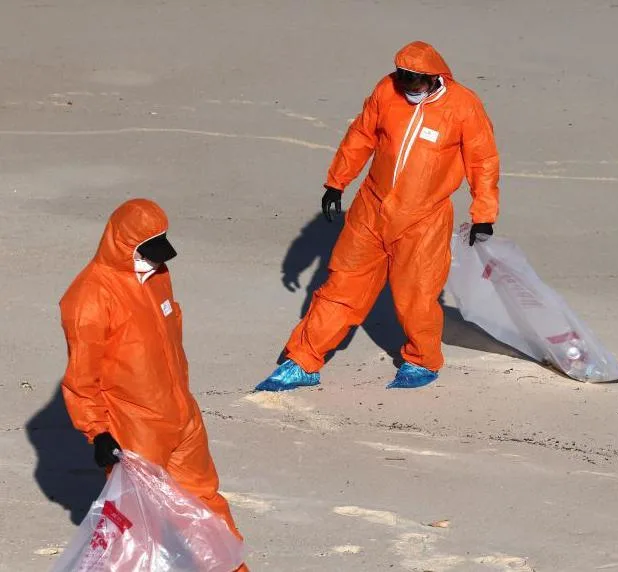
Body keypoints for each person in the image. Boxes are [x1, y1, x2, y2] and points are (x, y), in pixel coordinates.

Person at [257, 40, 500, 392]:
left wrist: (484, 214)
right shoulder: (387, 91)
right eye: (402, 77)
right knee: (340, 286)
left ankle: (421, 360)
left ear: (433, 78)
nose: (407, 85)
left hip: (423, 220)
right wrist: (337, 182)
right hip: (370, 211)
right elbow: (361, 135)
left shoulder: (464, 106)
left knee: (416, 295)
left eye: (414, 80)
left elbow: (483, 161)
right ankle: (303, 361)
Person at [60, 199, 248, 571]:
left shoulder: (159, 276)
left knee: (204, 502)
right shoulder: (88, 298)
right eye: (147, 252)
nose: (156, 260)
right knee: (136, 524)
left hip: (181, 415)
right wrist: (97, 432)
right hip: (135, 430)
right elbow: (82, 378)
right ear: (123, 244)